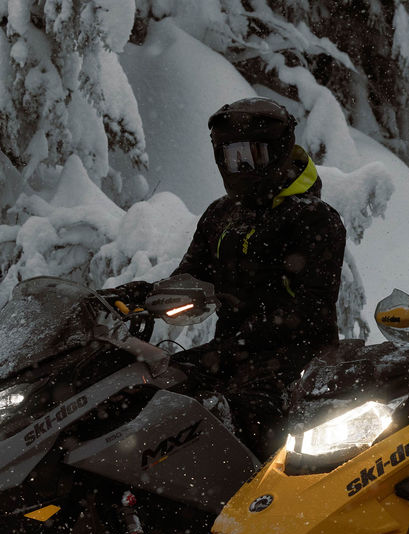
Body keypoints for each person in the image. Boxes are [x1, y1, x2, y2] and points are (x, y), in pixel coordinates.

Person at [116, 97, 346, 458]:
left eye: (253, 155)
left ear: (280, 153)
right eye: (231, 157)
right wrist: (137, 296)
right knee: (149, 391)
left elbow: (311, 309)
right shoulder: (222, 215)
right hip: (231, 356)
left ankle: (267, 506)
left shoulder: (314, 218)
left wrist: (242, 332)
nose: (242, 167)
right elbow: (187, 279)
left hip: (296, 362)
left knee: (246, 420)